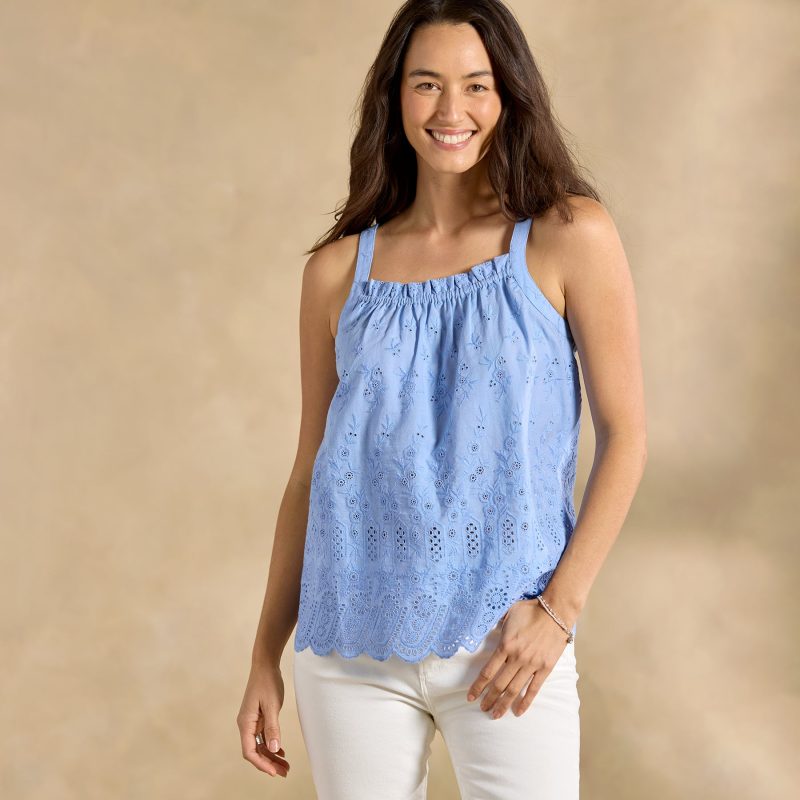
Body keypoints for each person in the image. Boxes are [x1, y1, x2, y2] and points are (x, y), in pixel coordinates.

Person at [237, 1, 646, 797]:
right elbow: (311, 472)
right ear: (394, 96)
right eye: (427, 84)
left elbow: (626, 435)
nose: (451, 110)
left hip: (507, 642)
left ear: (508, 95)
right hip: (348, 647)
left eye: (476, 85)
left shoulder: (569, 235)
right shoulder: (335, 272)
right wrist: (263, 654)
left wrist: (557, 611)